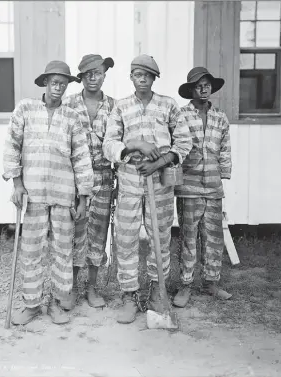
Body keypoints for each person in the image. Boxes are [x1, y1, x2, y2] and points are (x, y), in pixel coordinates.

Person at [3, 61, 94, 325]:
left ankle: (56, 302)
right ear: (45, 82)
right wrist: (17, 184)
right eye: (54, 83)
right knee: (32, 251)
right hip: (32, 195)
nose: (58, 88)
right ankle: (31, 305)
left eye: (63, 84)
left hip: (64, 196)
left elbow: (81, 158)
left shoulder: (72, 117)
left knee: (63, 250)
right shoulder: (26, 109)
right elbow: (12, 145)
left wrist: (83, 198)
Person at [103, 54, 192, 324]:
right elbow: (109, 144)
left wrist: (162, 161)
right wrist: (135, 146)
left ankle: (156, 292)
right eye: (137, 74)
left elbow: (184, 142)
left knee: (159, 239)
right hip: (130, 185)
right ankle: (129, 296)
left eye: (147, 75)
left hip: (160, 185)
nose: (142, 78)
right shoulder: (121, 107)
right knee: (126, 241)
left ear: (154, 79)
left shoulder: (168, 106)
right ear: (130, 77)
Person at [173, 67, 232, 309]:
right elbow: (176, 147)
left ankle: (211, 282)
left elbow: (225, 148)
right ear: (191, 89)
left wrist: (223, 173)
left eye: (207, 84)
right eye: (199, 85)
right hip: (188, 186)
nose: (204, 88)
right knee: (188, 237)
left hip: (213, 187)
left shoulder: (220, 117)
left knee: (213, 237)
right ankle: (185, 285)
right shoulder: (182, 116)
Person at [63, 54, 115, 309]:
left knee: (98, 234)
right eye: (88, 74)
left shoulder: (114, 106)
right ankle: (70, 287)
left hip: (105, 178)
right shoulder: (69, 104)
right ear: (81, 77)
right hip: (76, 180)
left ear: (105, 75)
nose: (94, 78)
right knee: (76, 233)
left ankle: (92, 288)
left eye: (99, 73)